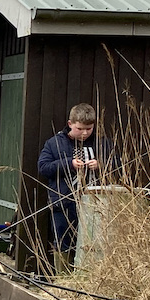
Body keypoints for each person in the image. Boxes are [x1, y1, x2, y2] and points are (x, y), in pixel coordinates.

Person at [37, 103, 118, 273]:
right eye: (80, 128)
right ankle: (63, 279)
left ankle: (92, 277)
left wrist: (101, 165)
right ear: (70, 124)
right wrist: (69, 164)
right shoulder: (54, 143)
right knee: (63, 243)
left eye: (89, 128)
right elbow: (43, 168)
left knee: (95, 242)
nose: (85, 133)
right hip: (64, 203)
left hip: (97, 204)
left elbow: (118, 165)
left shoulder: (102, 142)